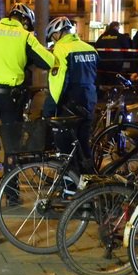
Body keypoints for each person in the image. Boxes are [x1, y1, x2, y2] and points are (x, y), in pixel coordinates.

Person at [0, 3, 55, 192]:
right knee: (12, 146)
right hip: (12, 98)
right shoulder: (26, 37)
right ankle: (11, 192)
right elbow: (49, 61)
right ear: (25, 21)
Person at [43, 17, 99, 170]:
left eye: (52, 38)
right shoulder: (90, 48)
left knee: (66, 150)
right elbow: (96, 78)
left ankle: (70, 188)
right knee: (83, 145)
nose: (53, 41)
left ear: (57, 34)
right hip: (88, 102)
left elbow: (58, 83)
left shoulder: (60, 50)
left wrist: (48, 110)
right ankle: (92, 184)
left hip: (69, 107)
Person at [94, 21, 132, 85]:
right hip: (116, 63)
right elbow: (126, 49)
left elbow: (96, 47)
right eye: (118, 27)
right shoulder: (121, 37)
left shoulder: (102, 37)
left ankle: (104, 91)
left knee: (104, 80)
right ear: (116, 27)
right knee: (114, 79)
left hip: (102, 63)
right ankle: (113, 89)